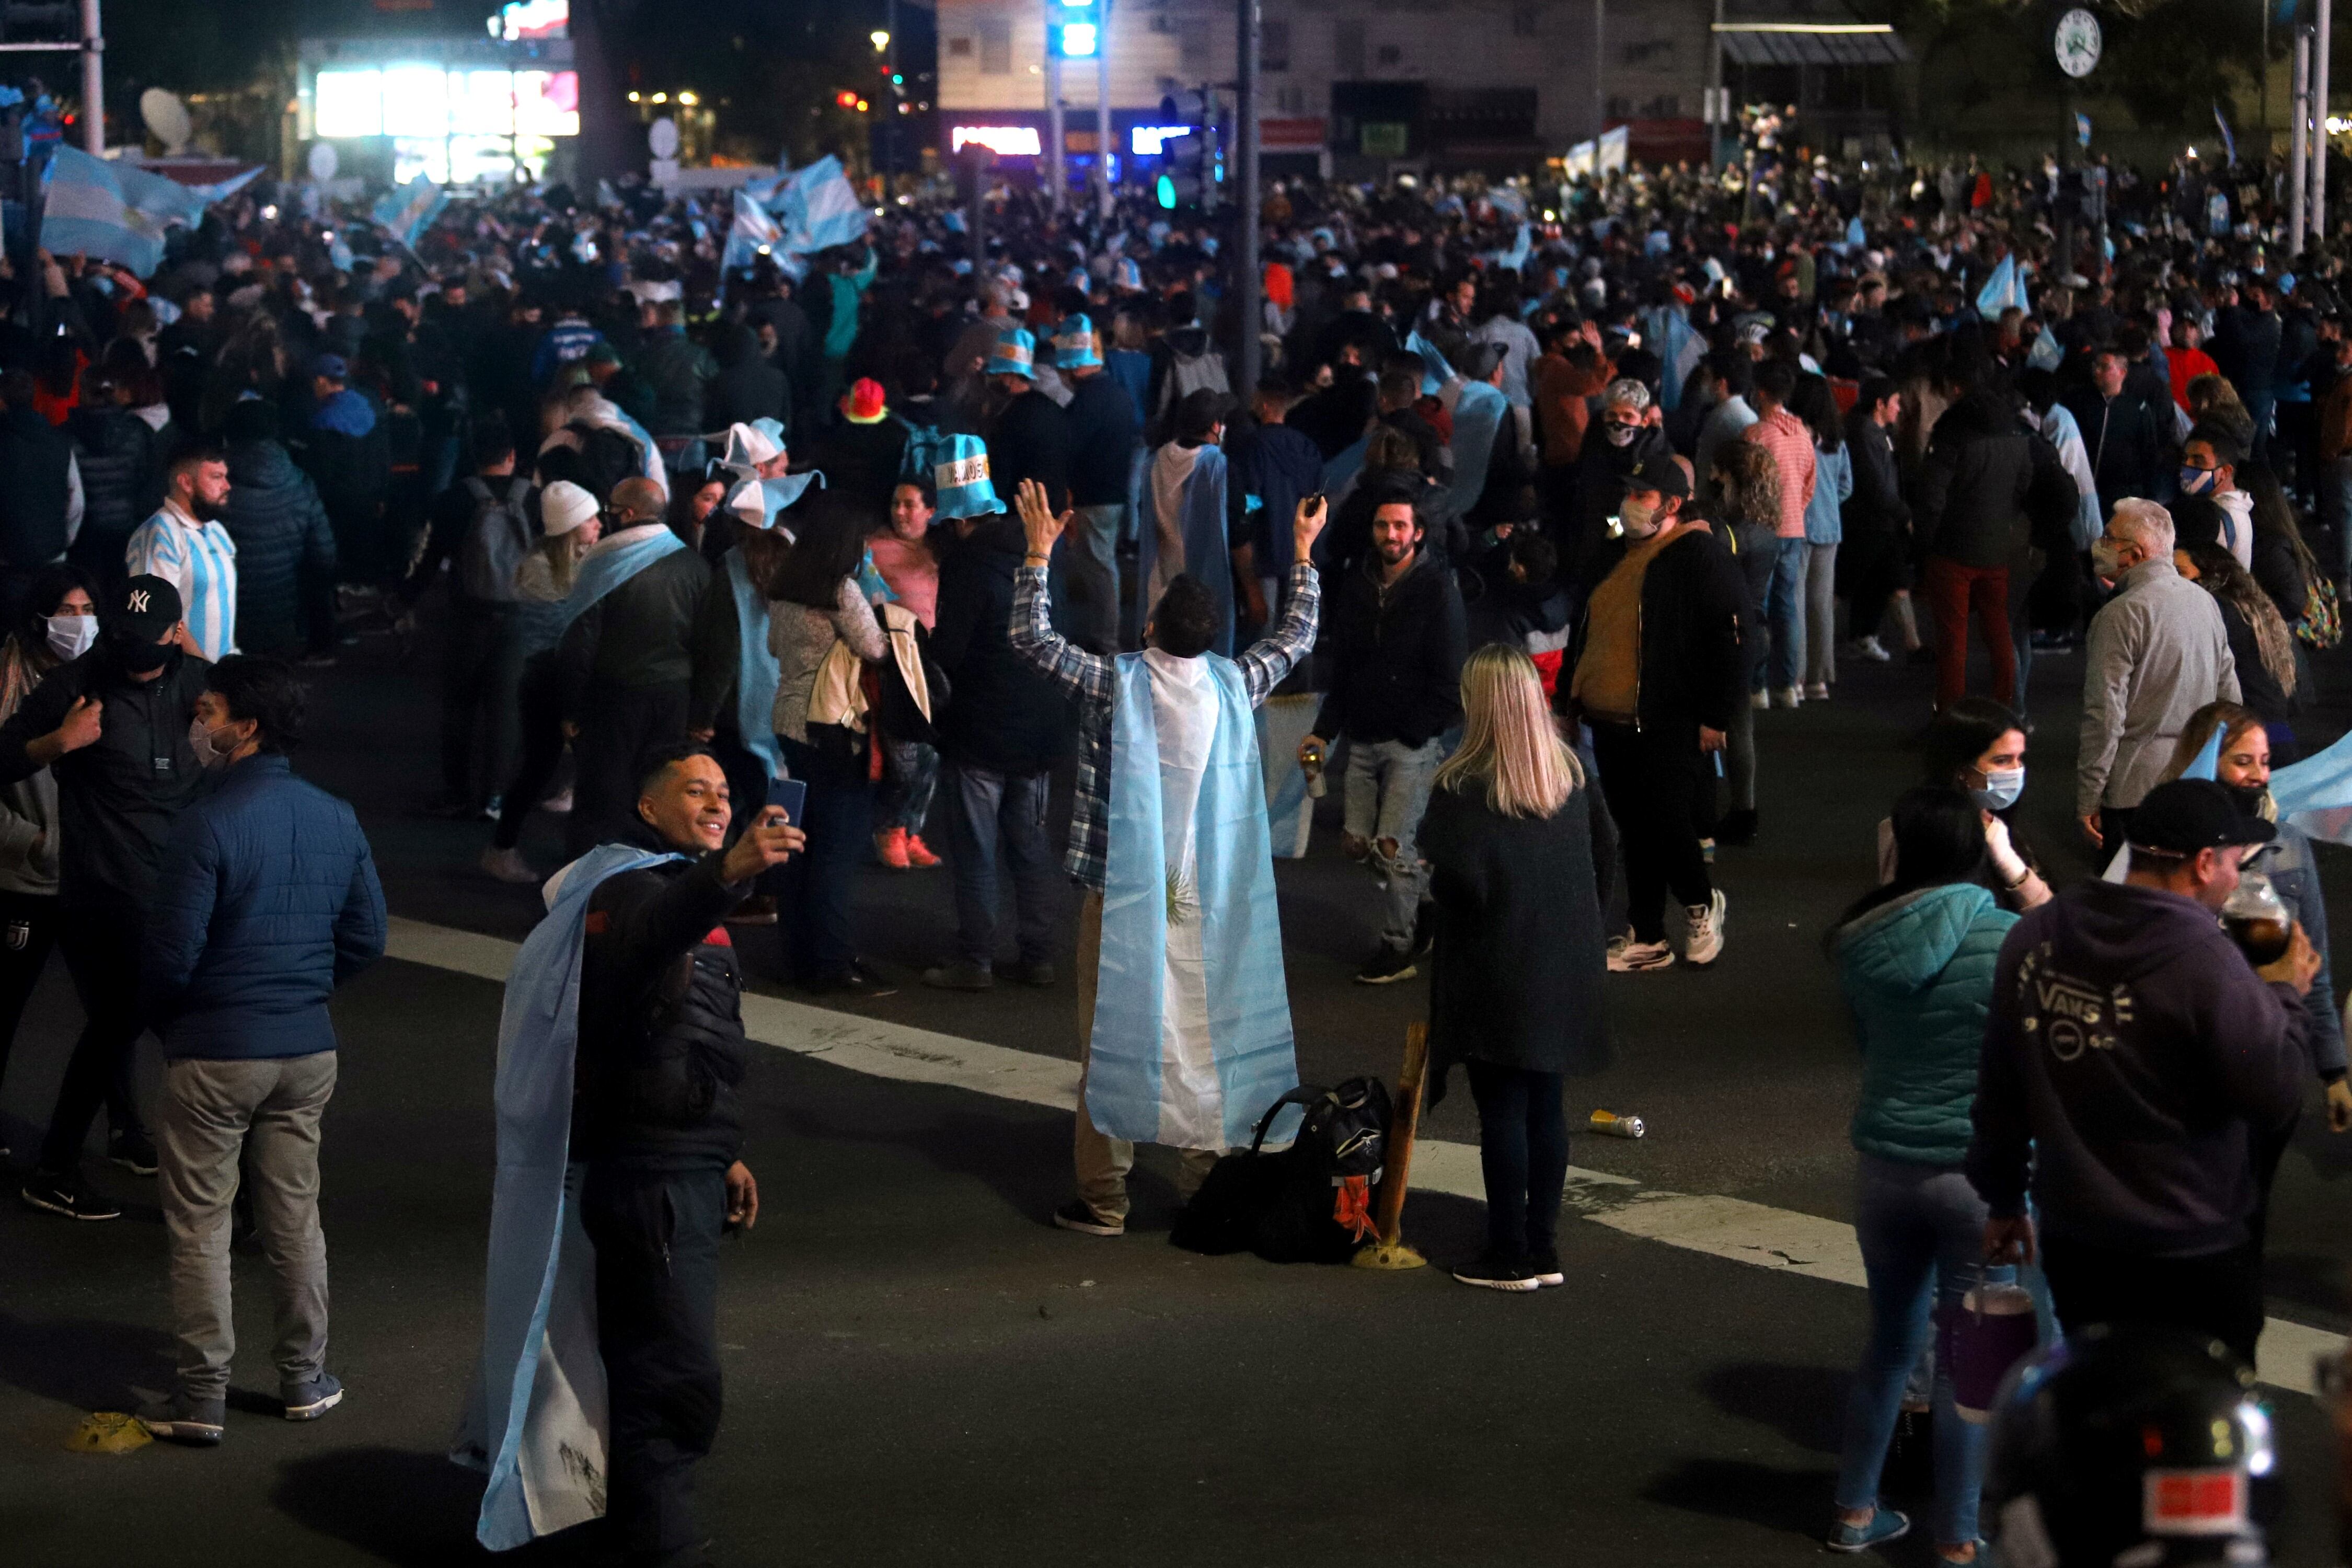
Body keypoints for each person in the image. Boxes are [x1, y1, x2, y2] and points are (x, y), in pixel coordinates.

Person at [457, 745, 802, 1565]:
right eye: (696, 791)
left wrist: (724, 1153)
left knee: (644, 1366)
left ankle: (632, 1527)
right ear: (648, 808)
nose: (718, 804)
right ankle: (661, 1547)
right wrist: (727, 874)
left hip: (678, 1164)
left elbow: (687, 1038)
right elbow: (653, 937)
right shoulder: (629, 891)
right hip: (651, 1181)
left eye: (725, 792)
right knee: (671, 1376)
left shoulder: (659, 884)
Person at [1010, 483, 1325, 1238]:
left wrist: (1036, 551)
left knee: (1112, 1039)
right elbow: (1296, 638)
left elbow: (1033, 640)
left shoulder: (1114, 685)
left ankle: (1105, 1197)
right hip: (1209, 896)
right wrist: (1305, 553)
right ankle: (1198, 1180)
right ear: (1210, 640)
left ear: (1150, 627)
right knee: (1206, 1027)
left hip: (1122, 895)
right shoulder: (1233, 683)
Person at [1968, 778, 2316, 1365]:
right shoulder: (2207, 961)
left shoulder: (2037, 937)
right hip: (2190, 1242)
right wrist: (2285, 993)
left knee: (2098, 1404)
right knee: (2197, 1421)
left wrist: (2003, 1200)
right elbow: (2276, 1093)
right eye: (2235, 863)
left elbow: (2001, 1086)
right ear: (2205, 864)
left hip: (2077, 1236)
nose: (2238, 880)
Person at [134, 656, 386, 1444]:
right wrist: (303, 986)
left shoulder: (206, 823)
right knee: (293, 1215)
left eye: (207, 711)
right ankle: (304, 1376)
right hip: (305, 1047)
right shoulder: (336, 815)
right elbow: (367, 937)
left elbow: (172, 956)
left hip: (216, 1048)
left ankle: (201, 1394)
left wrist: (174, 1020)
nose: (197, 724)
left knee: (202, 1223)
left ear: (244, 725)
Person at [1826, 787, 2028, 1562]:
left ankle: (1853, 1510)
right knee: (1969, 1369)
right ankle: (1960, 1539)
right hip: (1977, 1177)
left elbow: (1866, 1044)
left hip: (1884, 1167)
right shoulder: (2008, 937)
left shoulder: (1858, 939)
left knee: (1891, 1344)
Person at [3, 575, 210, 1219]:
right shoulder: (73, 686)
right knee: (130, 1022)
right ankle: (65, 1164)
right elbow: (5, 755)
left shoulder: (199, 683)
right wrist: (56, 744)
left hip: (178, 889)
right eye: (121, 636)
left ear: (175, 635)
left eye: (146, 641)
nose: (132, 652)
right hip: (104, 894)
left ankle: (79, 1156)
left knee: (125, 1027)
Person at [1420, 645, 1612, 1292]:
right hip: (1567, 962)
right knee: (1546, 1107)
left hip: (1497, 967)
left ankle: (1507, 1254)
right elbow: (1605, 859)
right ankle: (1543, 1248)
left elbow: (1459, 889)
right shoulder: (1572, 774)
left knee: (1500, 1109)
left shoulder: (1461, 788)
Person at [1560, 456, 1743, 972]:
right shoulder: (1612, 554)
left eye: (1642, 494)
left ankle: (1700, 905)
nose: (1630, 501)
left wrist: (1716, 716)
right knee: (1635, 829)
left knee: (1665, 822)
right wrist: (1567, 702)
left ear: (1672, 504)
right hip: (1609, 717)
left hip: (1670, 717)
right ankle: (1646, 934)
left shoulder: (1698, 556)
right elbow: (1584, 629)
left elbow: (1733, 640)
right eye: (1630, 491)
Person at [2155, 705, 2351, 1134]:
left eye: (2264, 762)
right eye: (2242, 762)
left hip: (2270, 1056)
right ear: (2207, 764)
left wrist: (2334, 1072)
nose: (2259, 776)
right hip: (2188, 1065)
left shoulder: (2290, 847)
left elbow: (2313, 965)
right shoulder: (2164, 848)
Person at [1300, 488, 1468, 984]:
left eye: (1400, 526)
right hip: (1363, 739)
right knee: (1358, 846)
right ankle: (1429, 906)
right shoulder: (1358, 586)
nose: (1391, 535)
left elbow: (1451, 681)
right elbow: (1346, 668)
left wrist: (1416, 732)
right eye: (1382, 526)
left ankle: (1399, 946)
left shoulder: (1437, 591)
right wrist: (1324, 732)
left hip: (1410, 744)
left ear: (1418, 532)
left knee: (1392, 848)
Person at [920, 470, 1073, 993]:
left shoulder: (967, 566)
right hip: (1041, 727)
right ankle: (1038, 954)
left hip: (980, 728)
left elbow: (949, 653)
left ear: (960, 520)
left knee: (977, 847)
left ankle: (977, 958)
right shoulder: (1042, 552)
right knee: (1030, 845)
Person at [767, 499, 894, 997]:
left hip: (788, 724)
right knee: (837, 849)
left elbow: (776, 649)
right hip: (835, 730)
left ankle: (798, 955)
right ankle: (834, 962)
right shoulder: (841, 592)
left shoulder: (783, 589)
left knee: (800, 843)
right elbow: (876, 649)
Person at [557, 476, 720, 856]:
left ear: (626, 514)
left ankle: (589, 885)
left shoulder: (602, 562)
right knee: (662, 792)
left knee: (603, 796)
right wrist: (703, 712)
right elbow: (709, 647)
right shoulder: (695, 566)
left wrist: (570, 708)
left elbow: (578, 644)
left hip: (613, 699)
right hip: (674, 699)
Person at [2076, 500, 2240, 850]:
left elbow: (2105, 716)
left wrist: (2089, 796)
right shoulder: (2205, 602)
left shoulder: (2120, 615)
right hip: (2196, 778)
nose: (2099, 544)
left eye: (2108, 537)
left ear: (2134, 554)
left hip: (2135, 789)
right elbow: (2230, 699)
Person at [0, 567, 94, 1157]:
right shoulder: (8, 683)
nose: (82, 623)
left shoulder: (97, 681)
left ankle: (127, 1128)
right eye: (69, 612)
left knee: (114, 1016)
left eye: (89, 610)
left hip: (87, 878)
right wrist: (31, 842)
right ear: (39, 618)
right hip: (23, 878)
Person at [482, 482, 601, 884]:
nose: (600, 525)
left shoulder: (552, 564)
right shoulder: (546, 576)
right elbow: (564, 641)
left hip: (548, 681)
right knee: (538, 768)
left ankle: (506, 847)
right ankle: (502, 849)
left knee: (542, 766)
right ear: (570, 528)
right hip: (548, 685)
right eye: (591, 520)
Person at [418, 419, 535, 818]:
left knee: (460, 708)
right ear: (512, 457)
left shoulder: (453, 499)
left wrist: (406, 598)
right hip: (520, 618)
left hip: (468, 617)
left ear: (472, 457)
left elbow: (433, 559)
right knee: (506, 710)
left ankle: (456, 791)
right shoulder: (534, 499)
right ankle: (496, 796)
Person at [1915, 365, 2034, 713]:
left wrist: (1927, 539)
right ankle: (2007, 707)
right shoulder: (2017, 443)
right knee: (1999, 629)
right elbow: (2024, 488)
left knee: (1953, 639)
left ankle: (1951, 712)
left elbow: (1932, 495)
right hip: (1997, 549)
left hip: (1952, 550)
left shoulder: (1953, 439)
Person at [1901, 698, 2053, 910]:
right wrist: (2008, 863)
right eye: (2002, 760)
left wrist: (2007, 858)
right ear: (1961, 769)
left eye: (2020, 759)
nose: (2017, 771)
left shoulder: (1994, 822)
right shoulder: (1927, 835)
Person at [217, 399, 337, 664]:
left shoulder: (216, 485)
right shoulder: (299, 480)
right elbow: (324, 552)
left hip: (227, 606)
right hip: (281, 605)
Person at [868, 479, 946, 872]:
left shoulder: (939, 550)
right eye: (896, 504)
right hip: (893, 668)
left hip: (932, 668)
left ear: (930, 511)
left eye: (910, 505)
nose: (900, 512)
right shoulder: (873, 548)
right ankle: (889, 829)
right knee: (904, 758)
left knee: (931, 756)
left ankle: (910, 830)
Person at [1055, 313, 1143, 655]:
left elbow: (1068, 447)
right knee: (1099, 568)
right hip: (1112, 492)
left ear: (1074, 367)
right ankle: (1103, 635)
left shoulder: (1087, 402)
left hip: (1094, 497)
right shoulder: (1115, 394)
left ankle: (1106, 641)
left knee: (1100, 571)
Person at [1137, 388, 1243, 657]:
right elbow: (1236, 524)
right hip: (1201, 585)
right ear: (1215, 426)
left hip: (1158, 579)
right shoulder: (1217, 466)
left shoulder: (1154, 461)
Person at [1741, 359, 1816, 707]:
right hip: (1794, 528)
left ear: (1760, 393)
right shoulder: (1802, 433)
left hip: (1762, 531)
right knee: (1787, 608)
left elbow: (1745, 485)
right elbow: (1809, 484)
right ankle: (1788, 684)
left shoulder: (1757, 435)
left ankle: (1758, 687)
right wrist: (1795, 511)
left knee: (1757, 607)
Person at [129, 439, 240, 664]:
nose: (226, 486)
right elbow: (159, 616)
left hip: (220, 672)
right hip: (187, 675)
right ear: (186, 483)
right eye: (216, 477)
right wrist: (201, 668)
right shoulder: (161, 534)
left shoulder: (215, 529)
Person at [2173, 543, 2299, 740]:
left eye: (2180, 572)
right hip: (2274, 728)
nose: (2171, 580)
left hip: (2244, 733)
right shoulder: (2250, 607)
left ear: (2210, 573)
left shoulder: (2216, 609)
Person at [1840, 375, 1922, 665]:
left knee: (1870, 583)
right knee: (1879, 580)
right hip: (1872, 523)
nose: (1900, 408)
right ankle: (1910, 645)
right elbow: (1875, 483)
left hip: (1879, 522)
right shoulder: (1865, 434)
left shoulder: (1874, 432)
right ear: (1880, 404)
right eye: (1896, 402)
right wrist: (1904, 514)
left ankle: (1863, 637)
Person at [1791, 373, 1851, 701]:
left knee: (1796, 604)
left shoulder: (1795, 435)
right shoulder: (1836, 439)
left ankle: (1795, 678)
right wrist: (1828, 503)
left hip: (1797, 527)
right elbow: (1847, 486)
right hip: (1830, 529)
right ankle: (1819, 679)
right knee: (1821, 606)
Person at [2062, 348, 2168, 521]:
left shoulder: (2137, 409)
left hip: (2120, 496)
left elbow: (2148, 454)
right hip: (2081, 488)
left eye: (2104, 367)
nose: (2097, 371)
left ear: (2122, 372)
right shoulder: (2079, 402)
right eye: (2096, 366)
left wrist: (2147, 496)